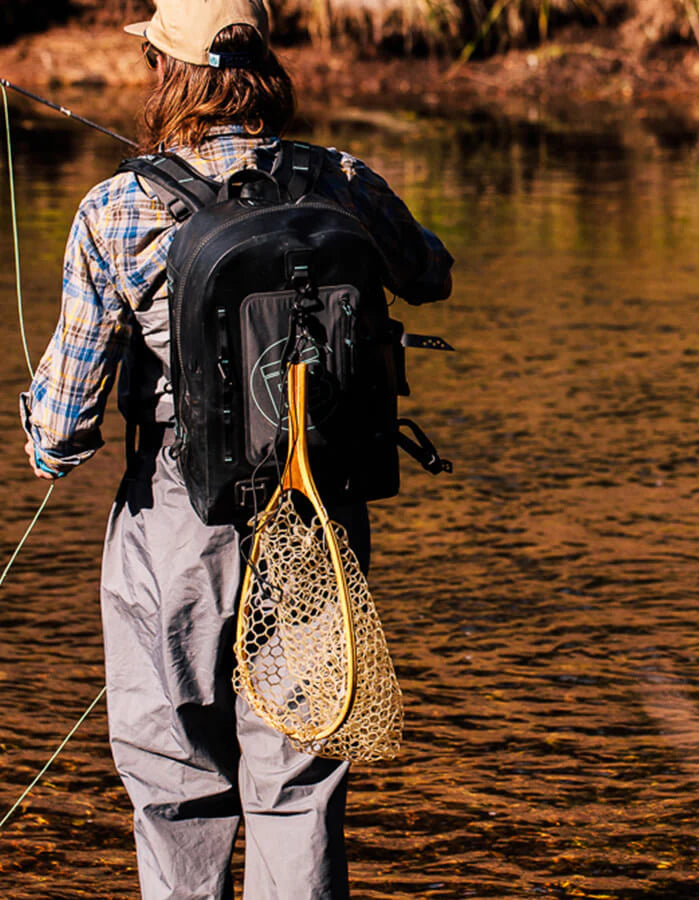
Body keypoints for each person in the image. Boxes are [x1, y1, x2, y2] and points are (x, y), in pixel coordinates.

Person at [20, 1, 453, 897]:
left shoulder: (117, 209)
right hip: (318, 510)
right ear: (264, 65)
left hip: (175, 516)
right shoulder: (340, 177)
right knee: (299, 775)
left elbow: (63, 433)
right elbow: (430, 274)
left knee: (176, 775)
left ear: (164, 69)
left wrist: (40, 434)